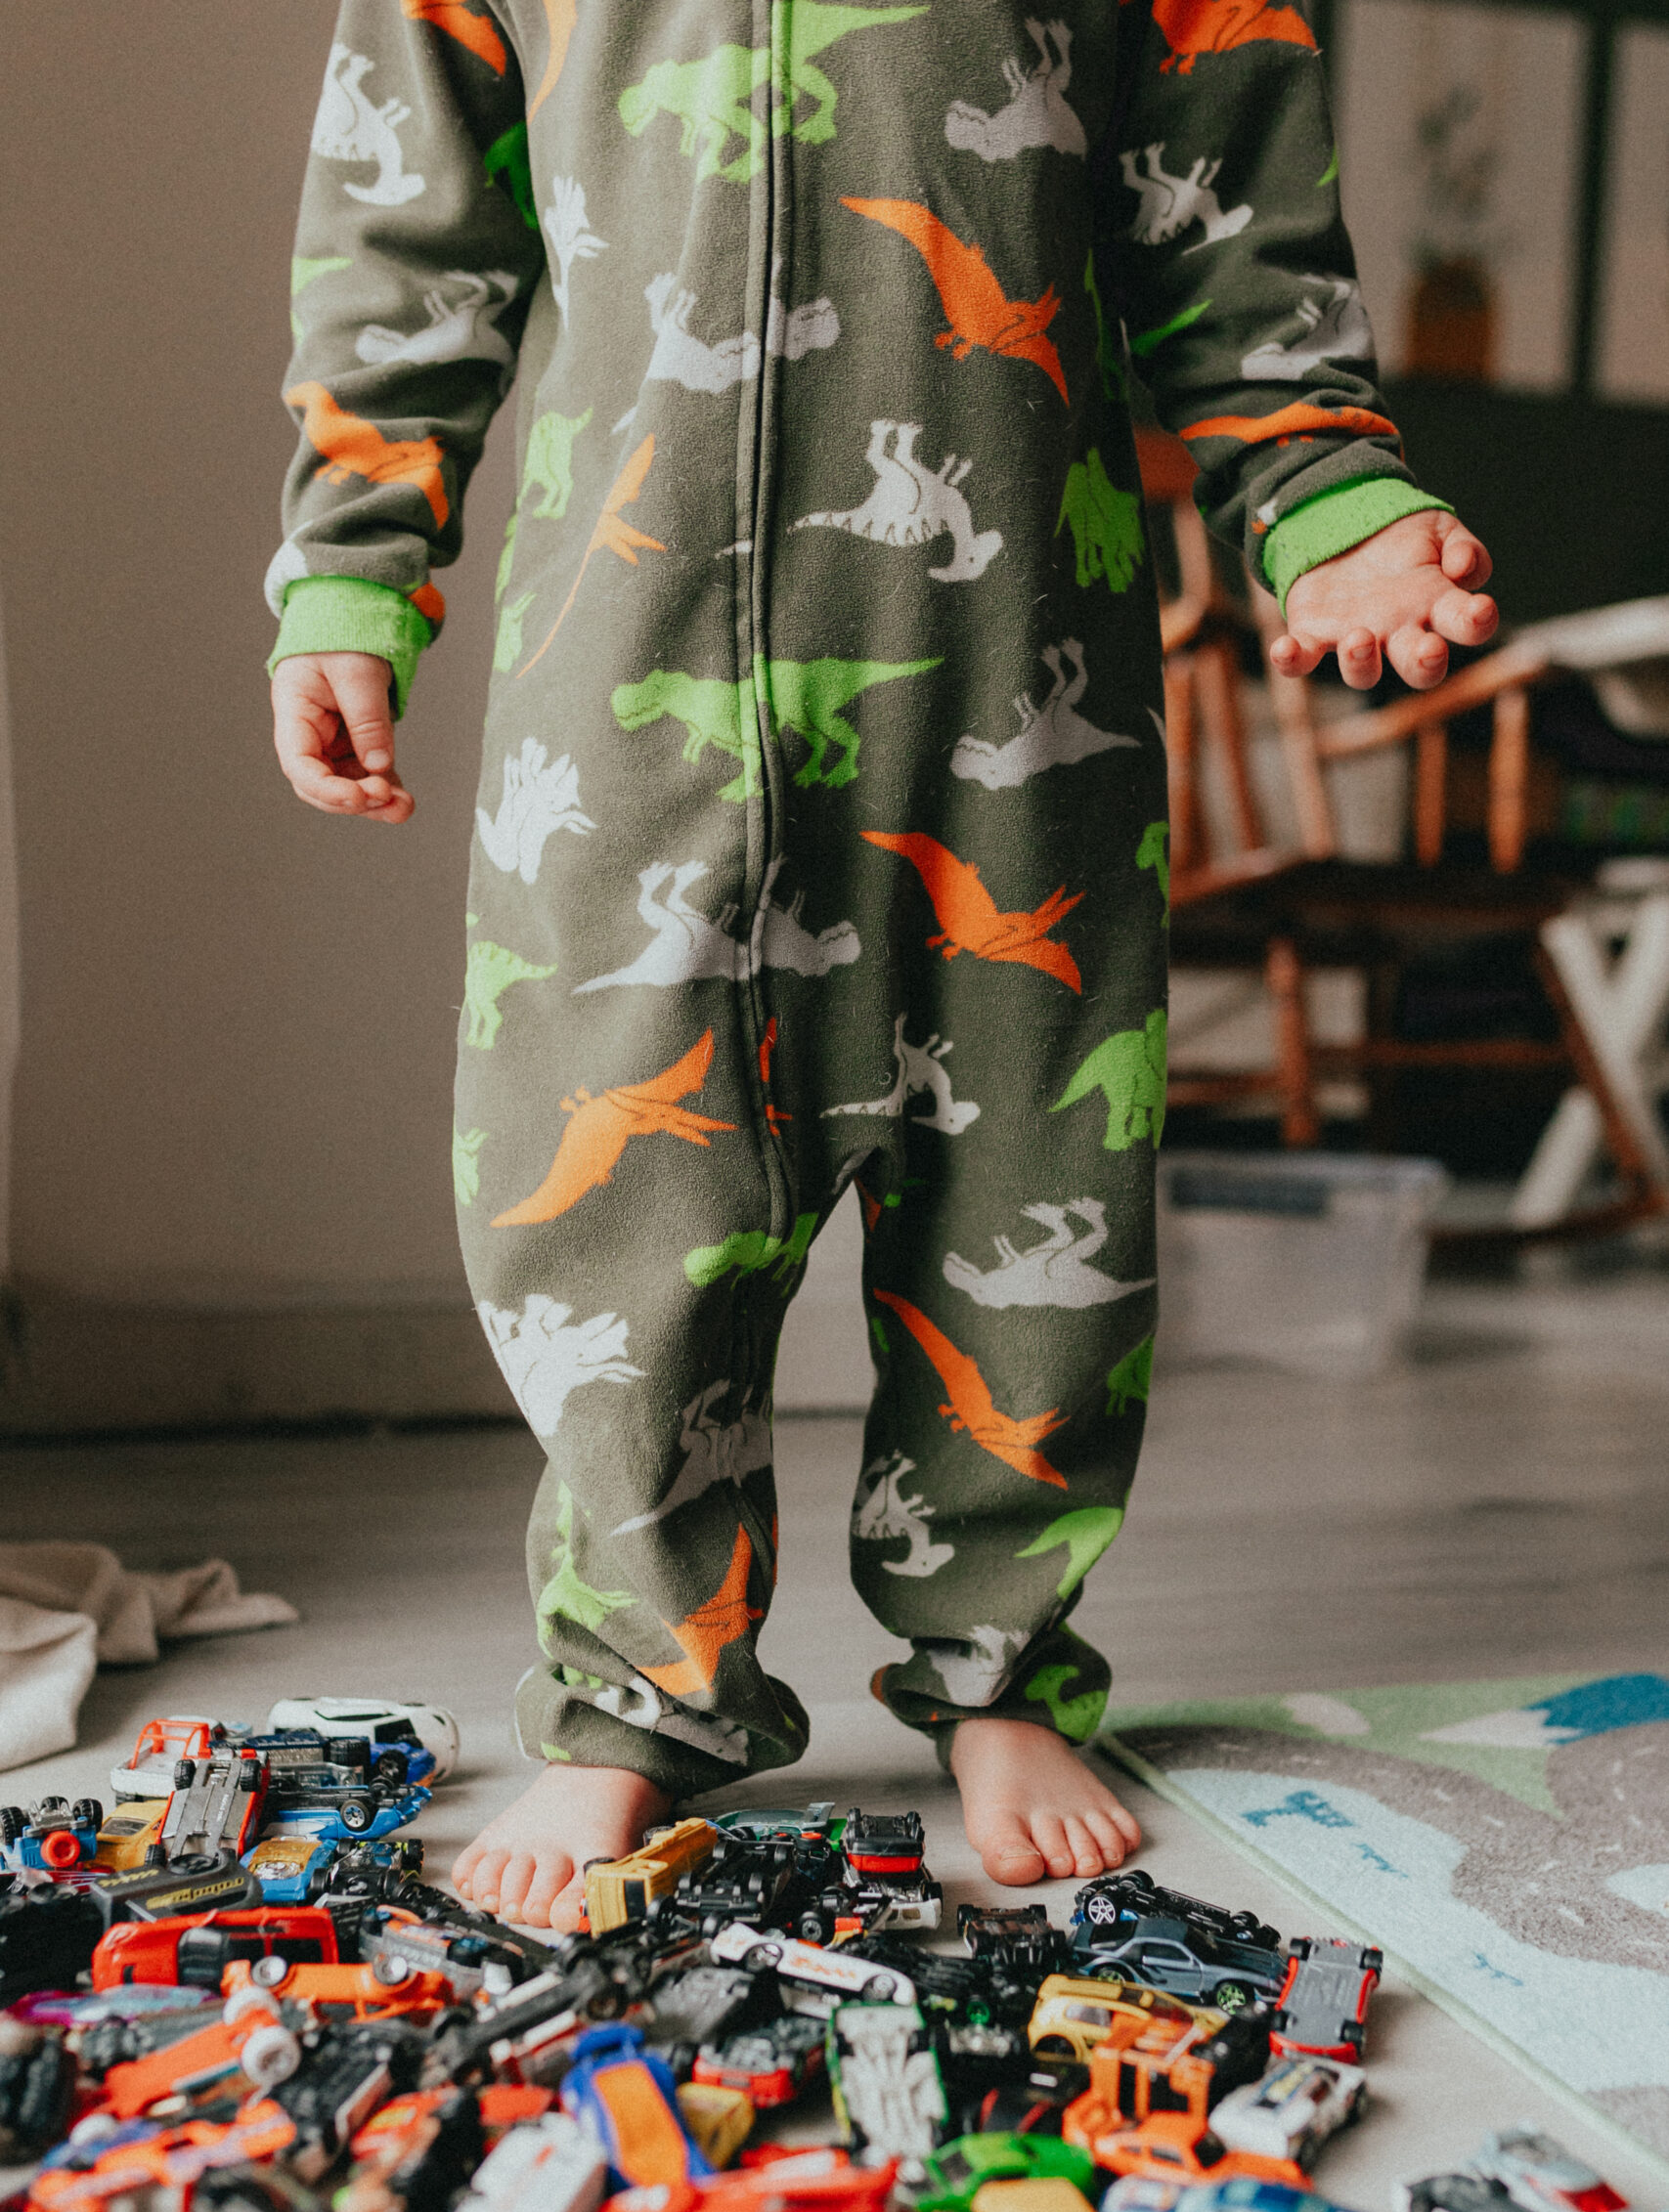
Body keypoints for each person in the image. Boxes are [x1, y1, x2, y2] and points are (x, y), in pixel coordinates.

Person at [269, 0, 1497, 1930]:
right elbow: (406, 219)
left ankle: (998, 1662)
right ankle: (637, 1685)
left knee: (1031, 1174)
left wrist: (1317, 486)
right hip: (625, 680)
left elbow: (1227, 188)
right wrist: (353, 561)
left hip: (1010, 646)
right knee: (597, 1200)